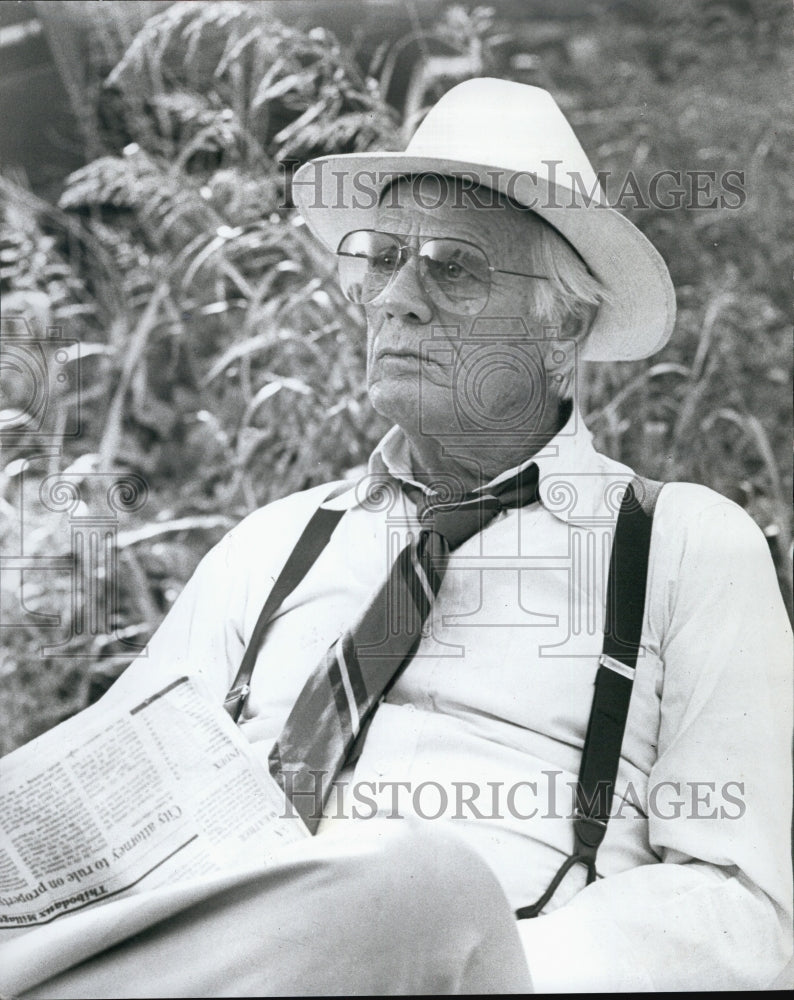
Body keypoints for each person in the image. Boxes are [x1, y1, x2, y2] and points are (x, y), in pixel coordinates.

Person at [2, 78, 792, 997]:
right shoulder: (269, 547)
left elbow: (744, 905)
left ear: (564, 325)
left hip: (492, 957)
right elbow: (104, 799)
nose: (396, 299)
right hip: (218, 957)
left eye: (452, 268)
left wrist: (486, 958)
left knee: (418, 882)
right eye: (382, 259)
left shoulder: (686, 545)